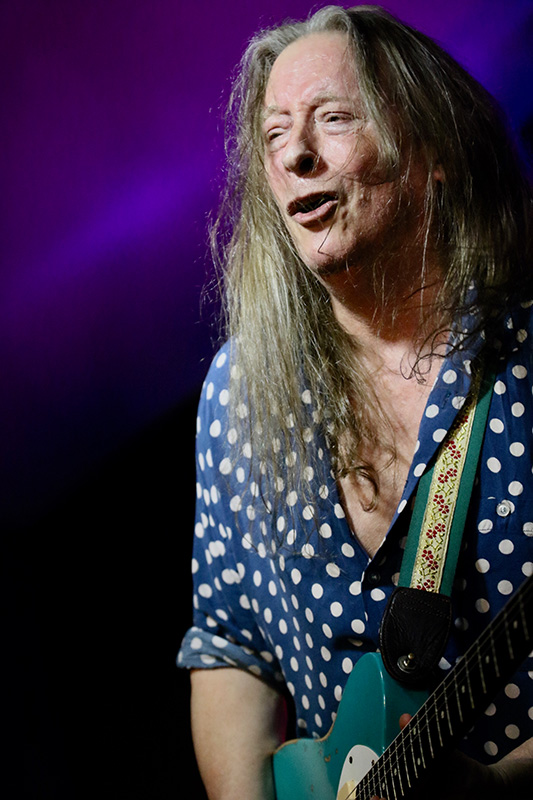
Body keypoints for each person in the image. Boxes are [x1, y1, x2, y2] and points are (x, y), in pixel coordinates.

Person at [177, 5, 533, 798]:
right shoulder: (238, 392)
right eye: (273, 135)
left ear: (434, 152)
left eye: (333, 118)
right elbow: (231, 647)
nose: (294, 153)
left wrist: (504, 784)